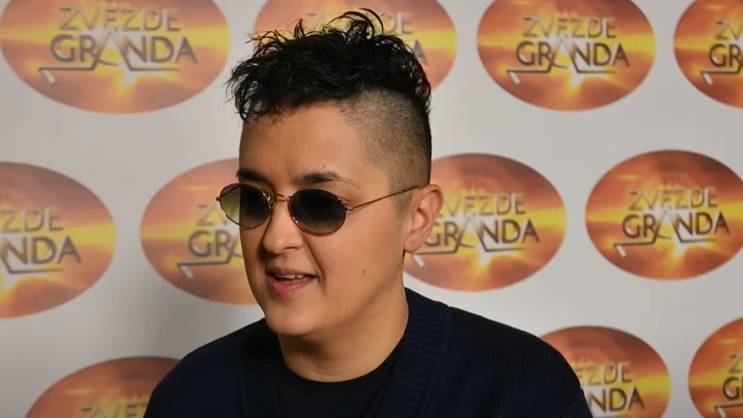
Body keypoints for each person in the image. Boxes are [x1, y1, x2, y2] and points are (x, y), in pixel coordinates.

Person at [144, 10, 592, 418]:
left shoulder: (520, 391)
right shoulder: (190, 396)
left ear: (418, 217)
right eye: (254, 199)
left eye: (320, 205)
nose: (275, 239)